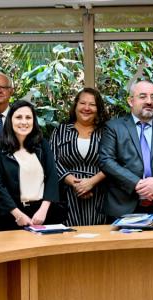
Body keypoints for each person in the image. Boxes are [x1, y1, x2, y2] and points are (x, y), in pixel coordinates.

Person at [99, 80, 153, 221]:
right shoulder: (114, 128)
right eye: (143, 96)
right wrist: (138, 184)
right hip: (123, 206)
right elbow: (106, 161)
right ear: (130, 101)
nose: (149, 101)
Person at [0, 100, 61, 230]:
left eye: (28, 117)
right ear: (10, 120)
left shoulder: (42, 145)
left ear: (34, 121)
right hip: (11, 216)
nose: (24, 122)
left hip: (43, 213)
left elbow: (52, 177)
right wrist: (18, 214)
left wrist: (43, 210)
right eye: (18, 117)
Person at [50, 88, 109, 226]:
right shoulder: (61, 130)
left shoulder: (107, 132)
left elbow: (115, 160)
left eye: (92, 104)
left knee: (98, 240)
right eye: (83, 103)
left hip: (99, 195)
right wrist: (76, 184)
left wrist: (92, 182)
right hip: (67, 196)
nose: (86, 108)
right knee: (70, 240)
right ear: (76, 105)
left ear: (98, 108)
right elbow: (52, 160)